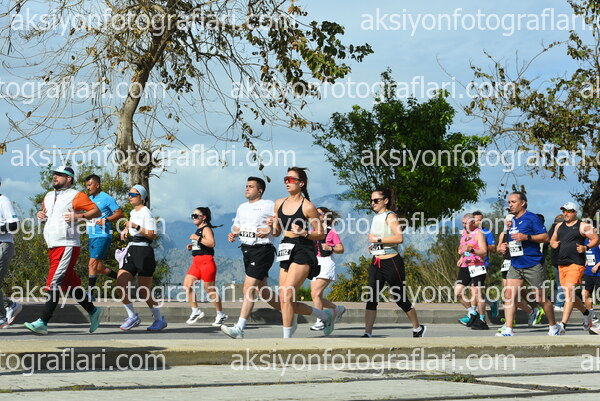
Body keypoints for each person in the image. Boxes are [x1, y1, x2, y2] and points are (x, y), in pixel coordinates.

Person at [24, 166, 103, 335]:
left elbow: (96, 211)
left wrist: (78, 216)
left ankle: (43, 322)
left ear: (69, 179)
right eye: (55, 174)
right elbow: (48, 216)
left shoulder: (76, 195)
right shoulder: (48, 196)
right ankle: (93, 310)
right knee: (70, 285)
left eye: (60, 175)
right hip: (52, 245)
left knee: (54, 283)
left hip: (67, 245)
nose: (55, 177)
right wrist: (41, 216)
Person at [272, 167, 335, 338]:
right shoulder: (278, 203)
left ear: (301, 183)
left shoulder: (307, 207)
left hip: (303, 248)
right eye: (285, 179)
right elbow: (277, 232)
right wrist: (271, 226)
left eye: (291, 179)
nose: (287, 182)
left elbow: (320, 233)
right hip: (285, 247)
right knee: (284, 299)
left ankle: (286, 340)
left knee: (287, 294)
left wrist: (304, 233)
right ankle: (324, 315)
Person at [221, 177, 281, 339]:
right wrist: (233, 233)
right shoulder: (242, 207)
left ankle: (239, 329)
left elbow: (278, 229)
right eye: (246, 186)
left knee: (248, 288)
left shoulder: (269, 205)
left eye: (251, 186)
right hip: (246, 250)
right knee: (264, 292)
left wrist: (269, 229)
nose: (247, 188)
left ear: (260, 191)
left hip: (263, 250)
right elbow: (237, 226)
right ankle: (291, 311)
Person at [363, 187, 426, 338]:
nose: (373, 203)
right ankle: (367, 333)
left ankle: (417, 328)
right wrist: (374, 246)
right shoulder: (376, 217)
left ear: (385, 201)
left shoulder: (390, 216)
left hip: (391, 262)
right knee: (371, 297)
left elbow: (399, 238)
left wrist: (377, 240)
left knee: (399, 298)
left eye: (376, 200)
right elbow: (381, 239)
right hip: (376, 262)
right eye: (371, 200)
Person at [496, 191, 560, 337]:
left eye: (513, 202)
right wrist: (503, 247)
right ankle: (508, 329)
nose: (510, 205)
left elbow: (545, 237)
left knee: (540, 298)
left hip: (532, 264)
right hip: (515, 264)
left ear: (523, 203)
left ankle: (553, 326)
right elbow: (513, 241)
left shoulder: (532, 218)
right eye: (509, 202)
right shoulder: (512, 221)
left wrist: (527, 237)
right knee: (509, 295)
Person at [117, 185, 167, 332]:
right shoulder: (133, 212)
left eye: (133, 194)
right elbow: (133, 227)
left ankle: (159, 319)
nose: (130, 197)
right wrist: (126, 229)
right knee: (120, 283)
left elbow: (152, 234)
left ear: (142, 197)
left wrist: (135, 226)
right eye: (129, 194)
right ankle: (132, 316)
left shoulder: (147, 213)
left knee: (144, 290)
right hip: (132, 250)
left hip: (144, 251)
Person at [549, 202, 599, 333]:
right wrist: (553, 244)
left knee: (569, 291)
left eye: (569, 211)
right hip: (562, 263)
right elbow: (552, 240)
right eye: (564, 211)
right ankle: (587, 313)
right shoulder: (558, 226)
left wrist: (586, 247)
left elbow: (596, 239)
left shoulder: (583, 226)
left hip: (576, 263)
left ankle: (563, 325)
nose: (565, 213)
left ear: (575, 212)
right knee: (568, 294)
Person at [497, 214, 543, 332]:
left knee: (512, 294)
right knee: (510, 294)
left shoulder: (520, 233)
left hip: (518, 264)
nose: (509, 223)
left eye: (511, 221)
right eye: (507, 221)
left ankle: (517, 318)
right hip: (506, 264)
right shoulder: (503, 234)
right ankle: (528, 312)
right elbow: (498, 249)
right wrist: (501, 249)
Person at [183, 207, 227, 327]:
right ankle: (195, 311)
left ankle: (220, 314)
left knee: (210, 290)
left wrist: (197, 238)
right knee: (187, 286)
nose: (193, 218)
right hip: (196, 262)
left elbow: (212, 243)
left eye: (196, 215)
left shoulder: (206, 229)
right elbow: (203, 244)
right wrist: (192, 246)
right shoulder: (198, 229)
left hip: (206, 262)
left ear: (204, 217)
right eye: (192, 215)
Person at [84, 174, 123, 294]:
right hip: (92, 236)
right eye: (87, 186)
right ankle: (123, 279)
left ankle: (90, 294)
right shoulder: (89, 198)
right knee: (99, 267)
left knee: (92, 264)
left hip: (102, 235)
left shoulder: (107, 198)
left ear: (97, 185)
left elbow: (119, 213)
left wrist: (106, 220)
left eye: (90, 185)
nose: (88, 188)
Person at [310, 206, 346, 331]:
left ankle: (320, 320)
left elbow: (341, 249)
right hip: (315, 263)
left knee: (316, 293)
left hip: (327, 263)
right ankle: (337, 309)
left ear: (326, 216)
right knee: (315, 295)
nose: (316, 215)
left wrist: (330, 248)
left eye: (319, 214)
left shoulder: (331, 232)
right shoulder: (313, 231)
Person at [455, 213, 489, 330]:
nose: (464, 226)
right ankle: (472, 313)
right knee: (458, 292)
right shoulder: (464, 233)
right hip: (465, 266)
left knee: (477, 293)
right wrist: (461, 255)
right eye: (463, 223)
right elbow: (462, 248)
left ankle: (482, 320)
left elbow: (484, 252)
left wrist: (472, 250)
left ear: (473, 223)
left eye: (467, 223)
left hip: (477, 266)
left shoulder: (479, 234)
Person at [0, 176, 22, 328]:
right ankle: (10, 305)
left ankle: (2, 317)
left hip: (4, 244)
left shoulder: (3, 201)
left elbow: (14, 225)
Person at [583, 232, 600, 334]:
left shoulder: (598, 241)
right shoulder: (585, 241)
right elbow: (588, 255)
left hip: (598, 272)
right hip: (588, 272)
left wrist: (597, 266)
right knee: (585, 293)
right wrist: (586, 263)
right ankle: (592, 317)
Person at [548, 215, 565, 311]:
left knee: (560, 283)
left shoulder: (552, 230)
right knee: (563, 283)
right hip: (561, 259)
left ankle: (560, 303)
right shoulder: (560, 230)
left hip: (555, 260)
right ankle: (559, 303)